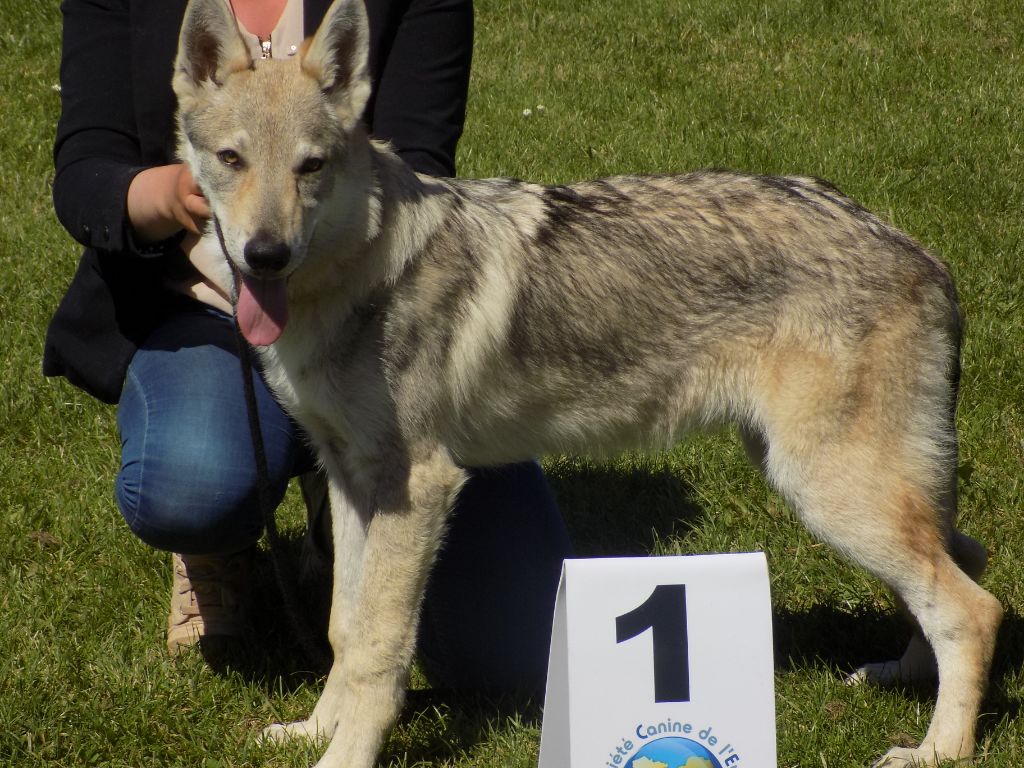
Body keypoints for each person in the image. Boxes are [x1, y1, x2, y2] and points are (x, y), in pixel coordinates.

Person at [47, 0, 573, 691]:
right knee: (196, 482)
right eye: (230, 158)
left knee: (517, 649)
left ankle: (340, 491)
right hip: (198, 308)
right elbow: (84, 173)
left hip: (365, 306)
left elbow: (418, 167)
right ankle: (222, 544)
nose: (268, 213)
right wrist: (174, 193)